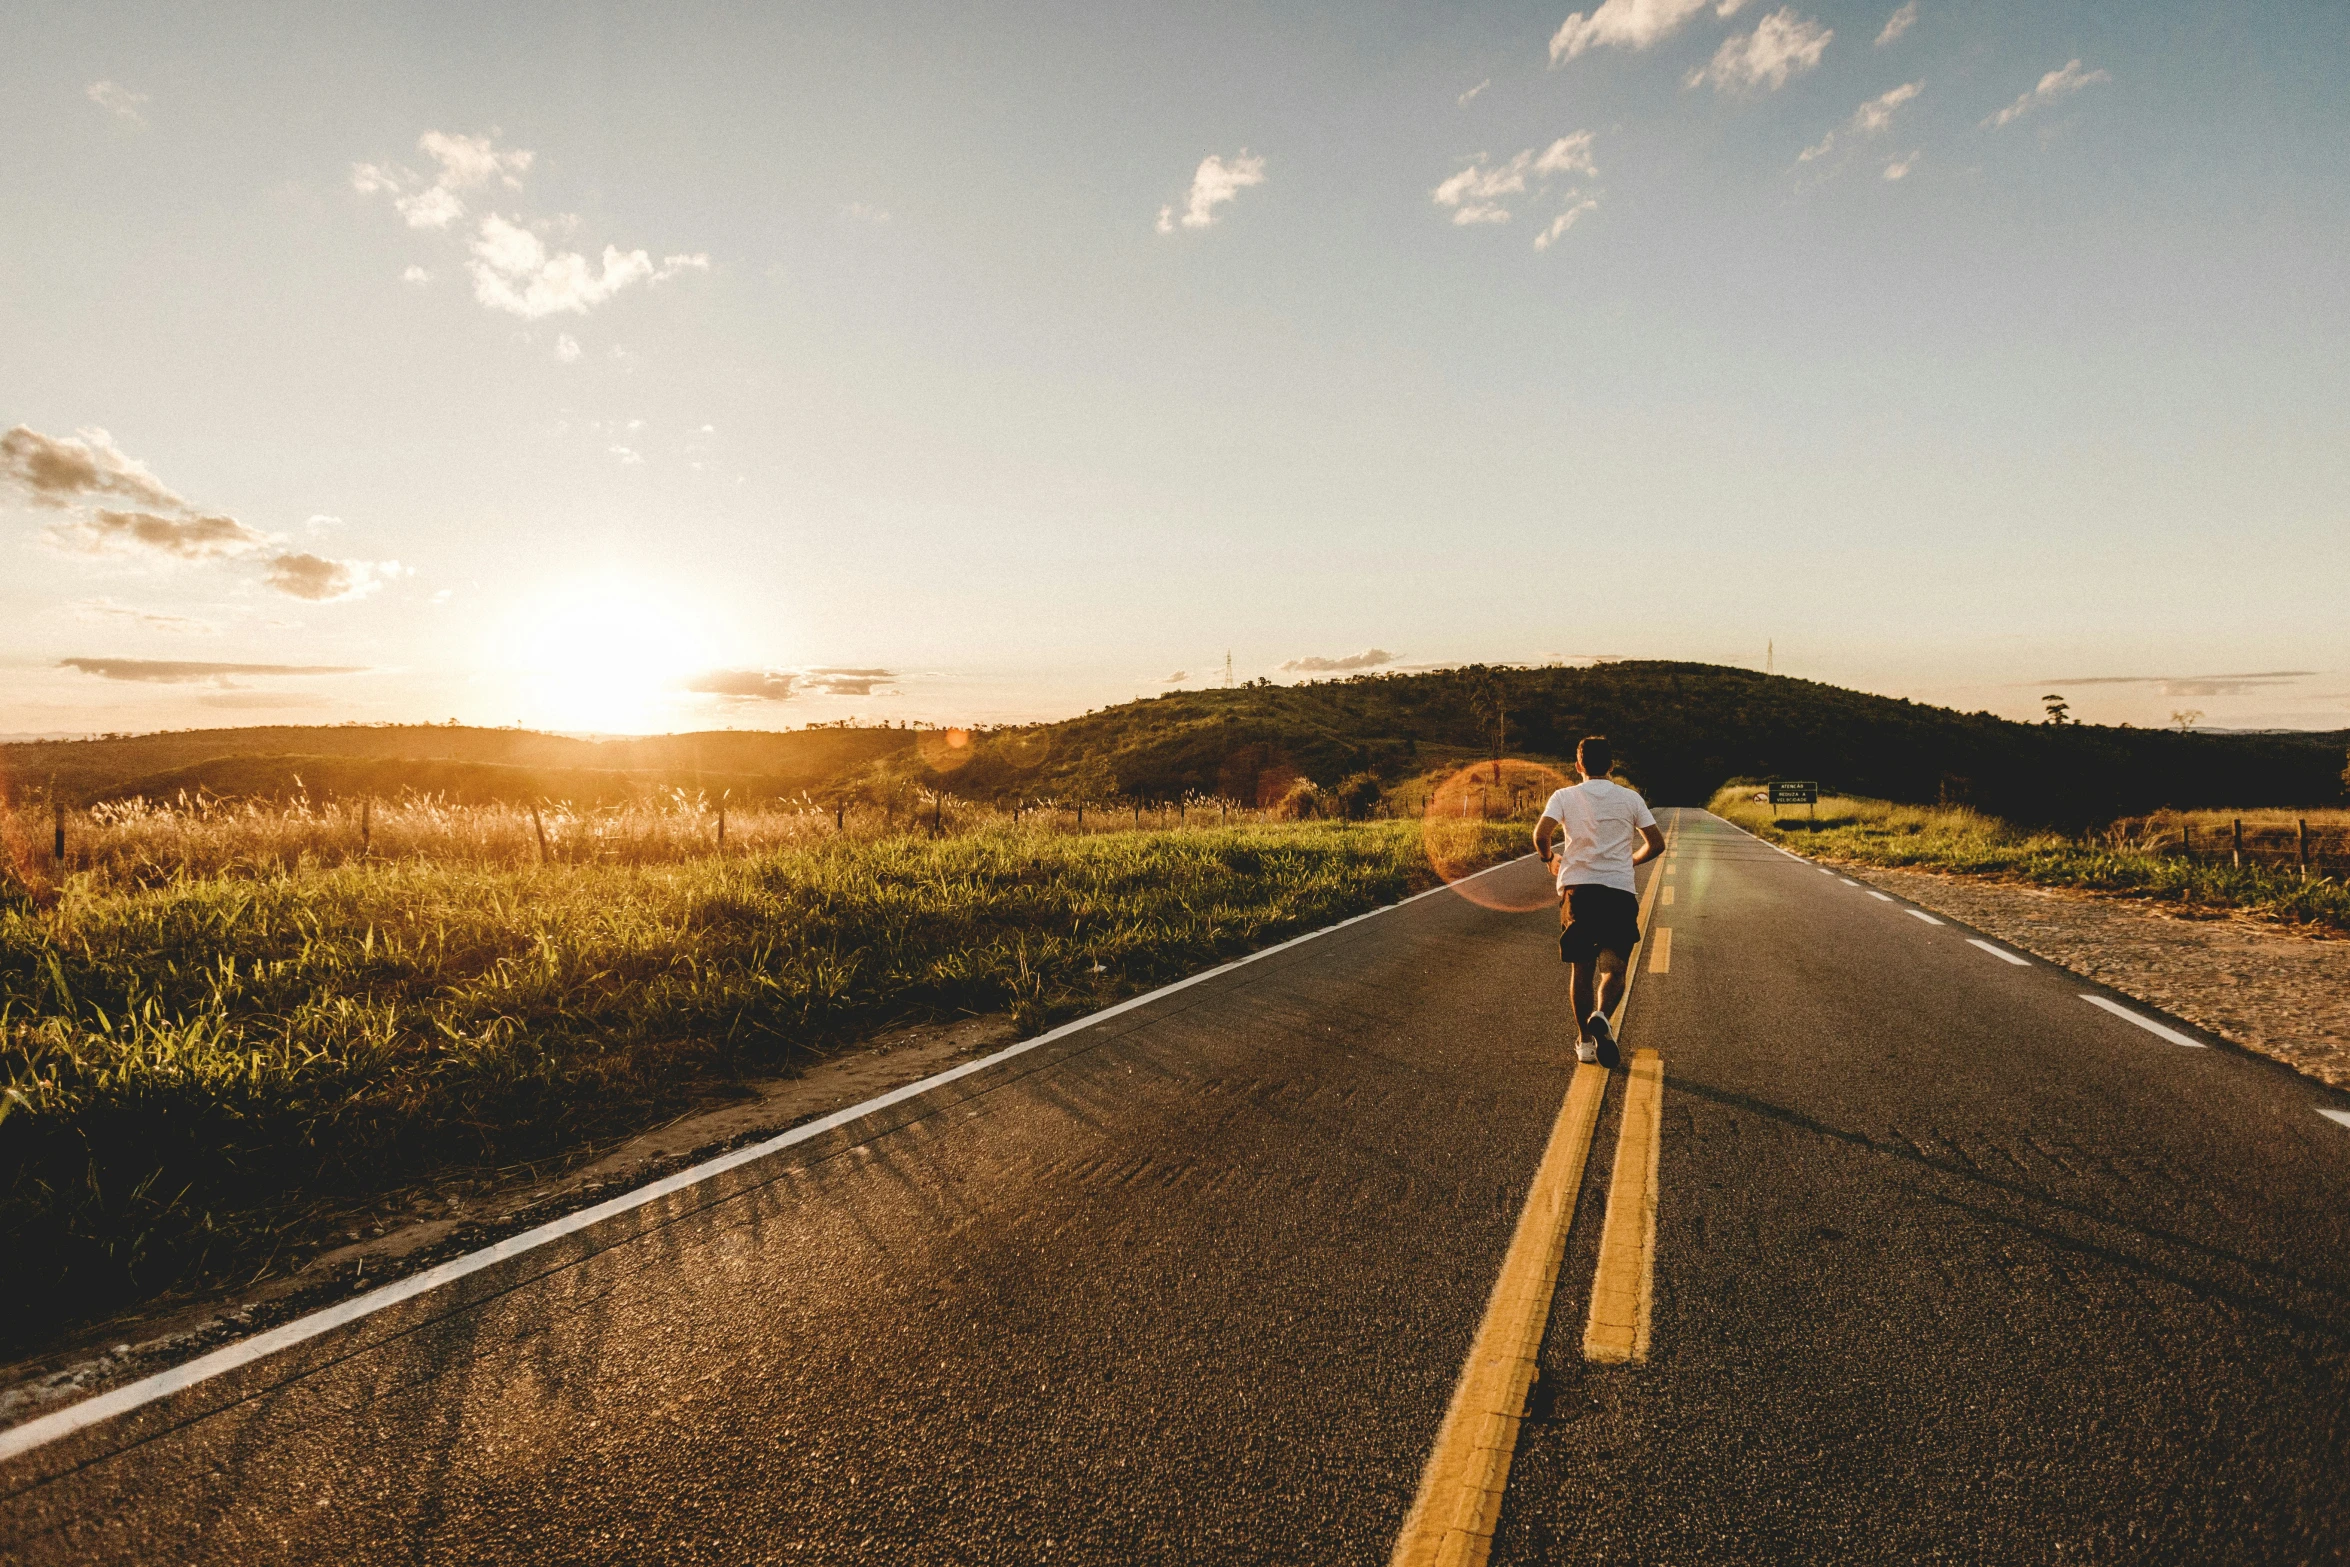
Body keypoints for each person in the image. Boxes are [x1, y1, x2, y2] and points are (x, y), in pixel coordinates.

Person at [1534, 736, 1665, 1066]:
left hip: (1579, 891)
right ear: (1611, 765)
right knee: (1615, 968)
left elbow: (1541, 835)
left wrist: (1549, 858)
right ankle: (1603, 1015)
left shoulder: (1564, 796)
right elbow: (1656, 844)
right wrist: (1630, 860)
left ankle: (1585, 1042)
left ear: (1578, 765)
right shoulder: (1630, 798)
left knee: (1582, 970)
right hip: (1617, 892)